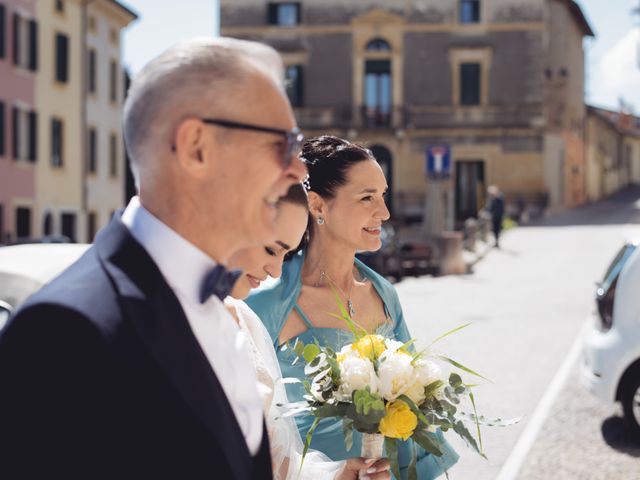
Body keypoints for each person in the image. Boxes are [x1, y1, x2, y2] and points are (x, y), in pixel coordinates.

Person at [0, 37, 307, 479]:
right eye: (282, 143)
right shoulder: (64, 331)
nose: (297, 170)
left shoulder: (226, 313)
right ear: (196, 147)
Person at [247, 136, 459, 480]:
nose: (384, 212)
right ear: (317, 205)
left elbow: (415, 411)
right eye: (366, 198)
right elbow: (248, 430)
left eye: (383, 195)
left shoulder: (384, 294)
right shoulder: (264, 303)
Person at [225, 183, 391, 480]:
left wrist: (336, 476)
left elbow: (277, 459)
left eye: (285, 254)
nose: (275, 271)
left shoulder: (244, 320)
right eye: (271, 249)